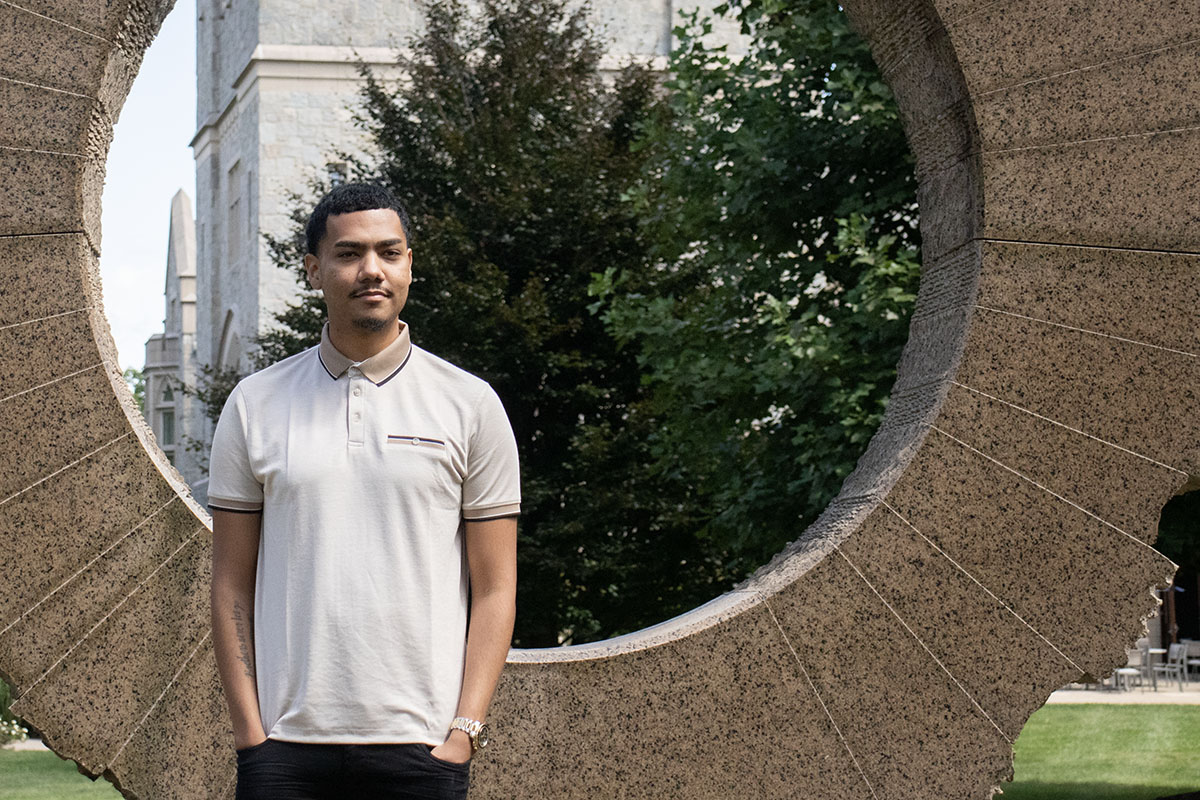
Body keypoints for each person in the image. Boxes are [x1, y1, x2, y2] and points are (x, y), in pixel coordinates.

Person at [208, 182, 520, 800]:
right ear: (314, 270)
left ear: (409, 265)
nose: (370, 270)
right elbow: (229, 584)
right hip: (285, 751)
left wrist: (463, 731)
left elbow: (496, 587)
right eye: (349, 254)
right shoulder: (255, 405)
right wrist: (251, 733)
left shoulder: (470, 404)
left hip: (423, 748)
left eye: (389, 252)